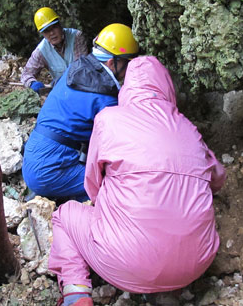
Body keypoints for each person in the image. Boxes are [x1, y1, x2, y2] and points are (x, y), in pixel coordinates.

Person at [48, 56, 226, 306]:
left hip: (124, 263)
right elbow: (217, 178)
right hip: (198, 262)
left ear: (127, 86)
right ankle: (168, 290)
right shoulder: (189, 128)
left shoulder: (108, 119)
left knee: (64, 215)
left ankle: (76, 293)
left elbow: (93, 185)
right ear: (166, 87)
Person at [22, 23, 139, 202]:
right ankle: (63, 195)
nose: (129, 68)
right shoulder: (105, 99)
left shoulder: (74, 69)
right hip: (49, 170)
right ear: (111, 62)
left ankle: (56, 193)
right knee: (113, 185)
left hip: (33, 156)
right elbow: (118, 147)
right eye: (127, 61)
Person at [20, 7, 88, 93]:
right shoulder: (41, 50)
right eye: (46, 31)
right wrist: (32, 83)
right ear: (42, 34)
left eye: (54, 27)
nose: (52, 33)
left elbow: (81, 67)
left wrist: (61, 81)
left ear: (60, 25)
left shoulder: (76, 37)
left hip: (84, 88)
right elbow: (26, 74)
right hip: (62, 93)